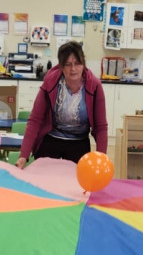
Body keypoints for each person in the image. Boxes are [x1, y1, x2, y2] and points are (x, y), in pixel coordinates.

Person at [15, 41, 107, 169]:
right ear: (61, 67)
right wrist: (23, 155)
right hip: (52, 138)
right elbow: (35, 120)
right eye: (68, 65)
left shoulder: (94, 86)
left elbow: (101, 127)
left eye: (77, 63)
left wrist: (101, 160)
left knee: (76, 184)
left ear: (83, 64)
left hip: (79, 141)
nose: (73, 69)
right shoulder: (50, 82)